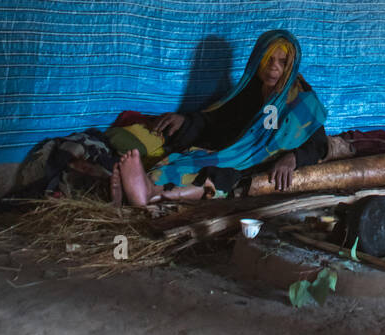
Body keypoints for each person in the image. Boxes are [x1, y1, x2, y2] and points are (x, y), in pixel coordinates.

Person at [108, 30, 327, 208]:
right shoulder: (248, 91)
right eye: (268, 59)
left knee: (224, 177)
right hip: (232, 154)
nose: (273, 67)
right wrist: (185, 121)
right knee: (183, 161)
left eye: (282, 61)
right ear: (256, 59)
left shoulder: (302, 102)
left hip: (259, 164)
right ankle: (146, 187)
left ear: (291, 66)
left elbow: (318, 145)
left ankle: (152, 194)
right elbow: (217, 121)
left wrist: (292, 159)